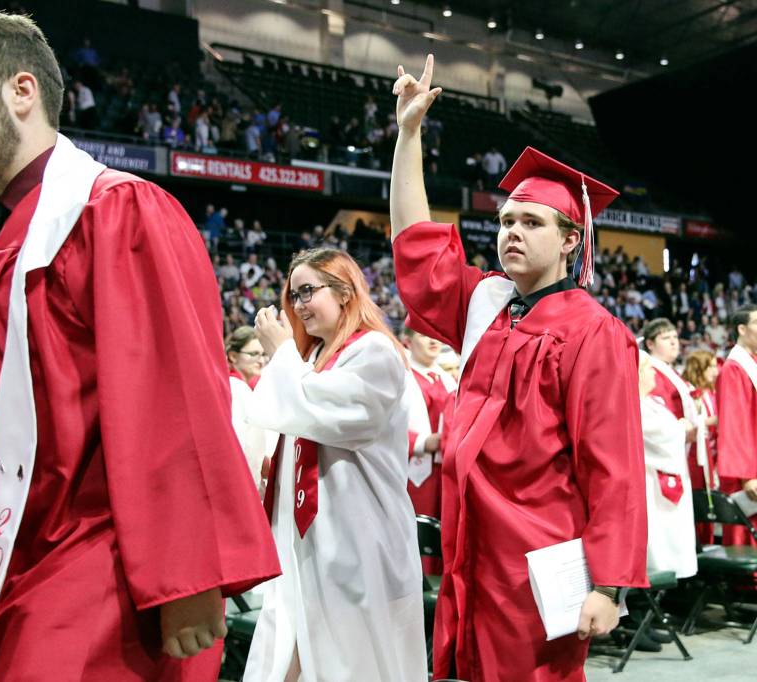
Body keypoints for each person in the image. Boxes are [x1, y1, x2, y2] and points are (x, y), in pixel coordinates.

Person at [0, 10, 279, 681]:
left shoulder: (113, 213)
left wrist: (185, 577)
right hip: (2, 566)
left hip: (93, 573)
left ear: (21, 90)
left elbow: (174, 401)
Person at [389, 57, 647, 681]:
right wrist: (408, 137)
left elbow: (613, 467)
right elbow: (418, 250)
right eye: (505, 220)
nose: (511, 232)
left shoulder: (593, 331)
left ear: (569, 240)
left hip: (539, 565)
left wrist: (609, 586)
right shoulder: (487, 305)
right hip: (469, 553)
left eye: (531, 222)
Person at [244, 247, 426, 681]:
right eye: (293, 296)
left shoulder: (375, 351)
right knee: (293, 653)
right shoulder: (311, 358)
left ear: (345, 291)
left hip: (358, 537)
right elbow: (283, 412)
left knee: (351, 663)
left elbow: (320, 413)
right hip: (308, 539)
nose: (299, 305)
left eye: (308, 291)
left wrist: (282, 352)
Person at [400, 327, 455, 577]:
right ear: (408, 342)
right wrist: (424, 441)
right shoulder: (400, 378)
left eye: (435, 334)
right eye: (423, 335)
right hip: (414, 476)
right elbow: (384, 428)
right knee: (417, 544)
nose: (433, 340)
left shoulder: (449, 378)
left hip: (447, 471)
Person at [639, 352, 698, 580]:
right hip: (651, 482)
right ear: (637, 374)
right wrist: (680, 428)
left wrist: (679, 428)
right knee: (660, 543)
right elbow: (663, 437)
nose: (654, 372)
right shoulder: (634, 405)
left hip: (668, 477)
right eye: (648, 368)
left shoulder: (652, 402)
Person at [716, 303, 757, 547]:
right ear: (742, 329)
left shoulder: (752, 362)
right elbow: (734, 424)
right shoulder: (734, 369)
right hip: (749, 471)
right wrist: (746, 476)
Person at [226, 326, 272, 486]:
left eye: (263, 355)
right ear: (233, 356)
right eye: (253, 354)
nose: (261, 361)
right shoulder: (235, 387)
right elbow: (245, 448)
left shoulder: (238, 387)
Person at [682, 349, 720, 544]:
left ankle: (709, 541)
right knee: (699, 502)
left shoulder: (712, 392)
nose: (715, 371)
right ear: (699, 367)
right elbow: (689, 423)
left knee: (711, 501)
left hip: (712, 456)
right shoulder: (690, 392)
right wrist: (712, 421)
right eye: (711, 366)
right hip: (696, 456)